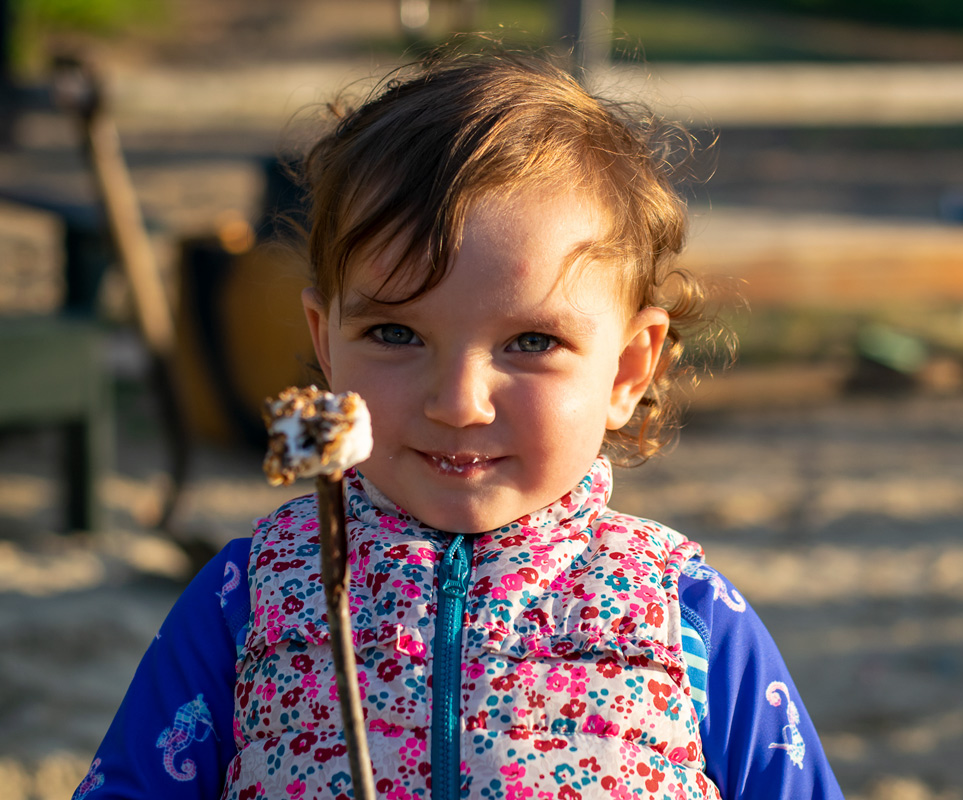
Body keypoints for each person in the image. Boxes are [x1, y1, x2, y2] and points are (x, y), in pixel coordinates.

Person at [74, 45, 844, 800]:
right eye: (396, 334)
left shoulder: (686, 615)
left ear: (629, 370)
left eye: (532, 342)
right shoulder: (248, 597)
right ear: (324, 343)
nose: (458, 400)